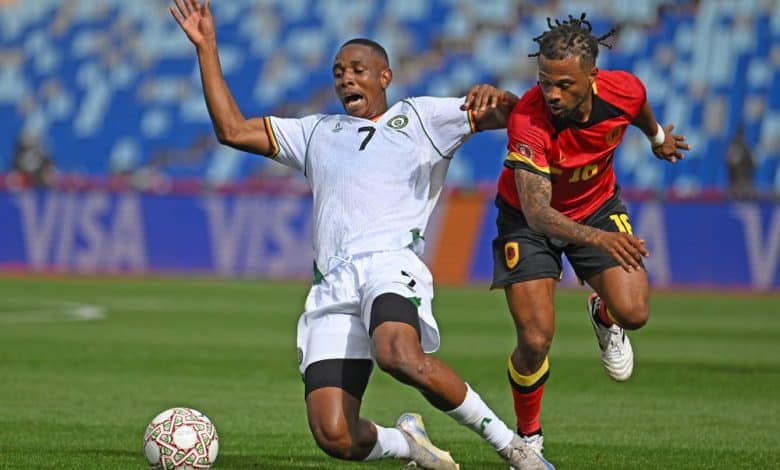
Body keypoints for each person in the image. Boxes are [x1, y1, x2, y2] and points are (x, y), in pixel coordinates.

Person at [170, 1, 553, 469]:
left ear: (385, 76)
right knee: (334, 435)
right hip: (333, 285)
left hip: (390, 265)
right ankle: (406, 444)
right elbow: (231, 130)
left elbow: (507, 116)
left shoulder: (422, 119)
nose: (346, 79)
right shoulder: (316, 132)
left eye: (357, 69)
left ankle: (513, 449)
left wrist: (501, 98)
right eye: (338, 72)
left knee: (398, 353)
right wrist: (207, 47)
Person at [490, 13, 690, 458]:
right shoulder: (529, 118)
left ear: (593, 78)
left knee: (634, 312)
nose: (552, 93)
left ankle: (605, 315)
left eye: (564, 84)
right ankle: (528, 436)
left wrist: (658, 138)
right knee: (536, 339)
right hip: (527, 222)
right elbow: (539, 213)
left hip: (597, 207)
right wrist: (600, 241)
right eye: (544, 81)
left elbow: (638, 108)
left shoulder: (624, 89)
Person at [726, 124, 755, 200]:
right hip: (736, 179)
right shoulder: (734, 145)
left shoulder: (746, 147)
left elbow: (752, 164)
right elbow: (730, 161)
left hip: (744, 179)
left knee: (744, 196)